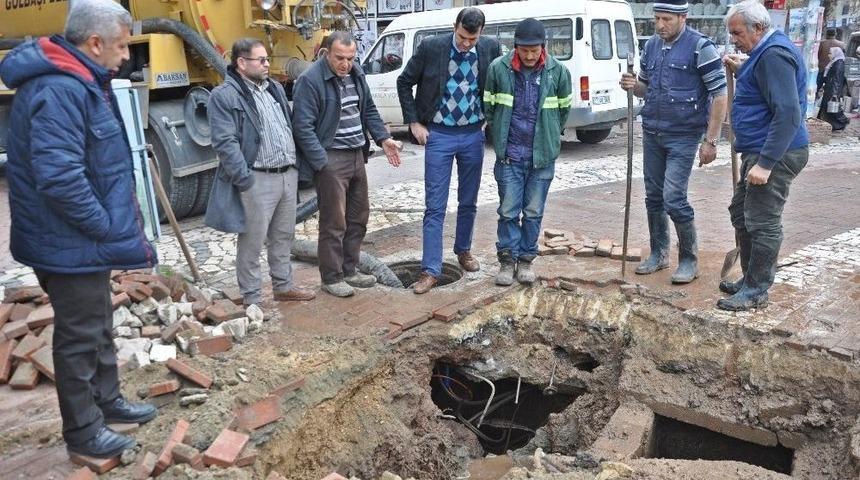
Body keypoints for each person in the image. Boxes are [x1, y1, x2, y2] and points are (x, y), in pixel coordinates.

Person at [0, 0, 157, 459]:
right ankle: (85, 434)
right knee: (80, 336)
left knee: (98, 324)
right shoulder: (60, 89)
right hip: (69, 240)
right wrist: (103, 225)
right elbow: (60, 176)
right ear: (94, 43)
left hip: (78, 240)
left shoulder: (81, 81)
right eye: (122, 44)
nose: (126, 55)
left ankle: (108, 403)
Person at [619, 0, 727, 285]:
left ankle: (689, 260)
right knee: (653, 197)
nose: (660, 25)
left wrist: (711, 141)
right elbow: (646, 88)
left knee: (673, 197)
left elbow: (719, 95)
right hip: (653, 132)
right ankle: (659, 253)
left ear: (683, 17)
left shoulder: (700, 48)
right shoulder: (652, 46)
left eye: (666, 19)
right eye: (657, 19)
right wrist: (633, 85)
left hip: (684, 135)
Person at [396, 7, 501, 294]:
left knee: (469, 201)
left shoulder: (490, 48)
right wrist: (414, 121)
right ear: (454, 26)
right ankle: (430, 270)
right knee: (435, 205)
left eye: (473, 38)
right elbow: (404, 82)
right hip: (439, 134)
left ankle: (463, 250)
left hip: (472, 135)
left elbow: (498, 86)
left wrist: (488, 120)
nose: (467, 43)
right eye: (463, 36)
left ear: (481, 33)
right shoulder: (432, 47)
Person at [205, 38, 315, 305]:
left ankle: (283, 286)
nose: (267, 64)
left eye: (267, 59)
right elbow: (224, 142)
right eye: (261, 60)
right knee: (252, 241)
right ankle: (252, 298)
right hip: (257, 178)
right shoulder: (224, 96)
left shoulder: (274, 88)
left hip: (286, 175)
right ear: (241, 63)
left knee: (284, 236)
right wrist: (245, 179)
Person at [292, 32, 402, 298]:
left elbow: (369, 111)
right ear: (325, 53)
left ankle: (350, 270)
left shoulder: (356, 73)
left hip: (356, 154)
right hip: (331, 157)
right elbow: (302, 127)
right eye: (340, 58)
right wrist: (322, 163)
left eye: (351, 58)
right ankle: (331, 277)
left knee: (358, 216)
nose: (345, 64)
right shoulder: (310, 80)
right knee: (334, 221)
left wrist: (383, 138)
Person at [718, 0, 809, 311]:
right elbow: (767, 87)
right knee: (741, 212)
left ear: (758, 28)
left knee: (762, 221)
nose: (734, 39)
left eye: (738, 32)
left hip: (776, 154)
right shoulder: (764, 54)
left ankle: (757, 290)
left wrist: (767, 163)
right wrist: (744, 67)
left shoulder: (773, 56)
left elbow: (788, 113)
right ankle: (749, 278)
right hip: (761, 151)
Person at [483, 18, 572, 286]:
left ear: (542, 47)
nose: (530, 55)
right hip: (510, 156)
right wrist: (500, 137)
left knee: (533, 212)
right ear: (516, 47)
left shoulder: (558, 73)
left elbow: (563, 111)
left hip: (541, 159)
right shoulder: (498, 69)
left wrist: (548, 136)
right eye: (525, 50)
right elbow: (489, 106)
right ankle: (507, 261)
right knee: (508, 211)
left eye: (535, 50)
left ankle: (526, 260)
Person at [817, 46, 849, 132]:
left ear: (836, 54)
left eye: (830, 53)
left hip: (833, 89)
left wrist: (834, 92)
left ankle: (841, 122)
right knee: (828, 107)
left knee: (833, 107)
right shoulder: (834, 62)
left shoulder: (839, 64)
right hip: (830, 88)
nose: (828, 55)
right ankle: (827, 124)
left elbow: (837, 79)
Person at [816, 29, 845, 94]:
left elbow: (817, 55)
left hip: (821, 69)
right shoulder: (841, 44)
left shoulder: (822, 43)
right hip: (833, 70)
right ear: (835, 34)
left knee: (816, 88)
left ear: (827, 34)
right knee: (829, 91)